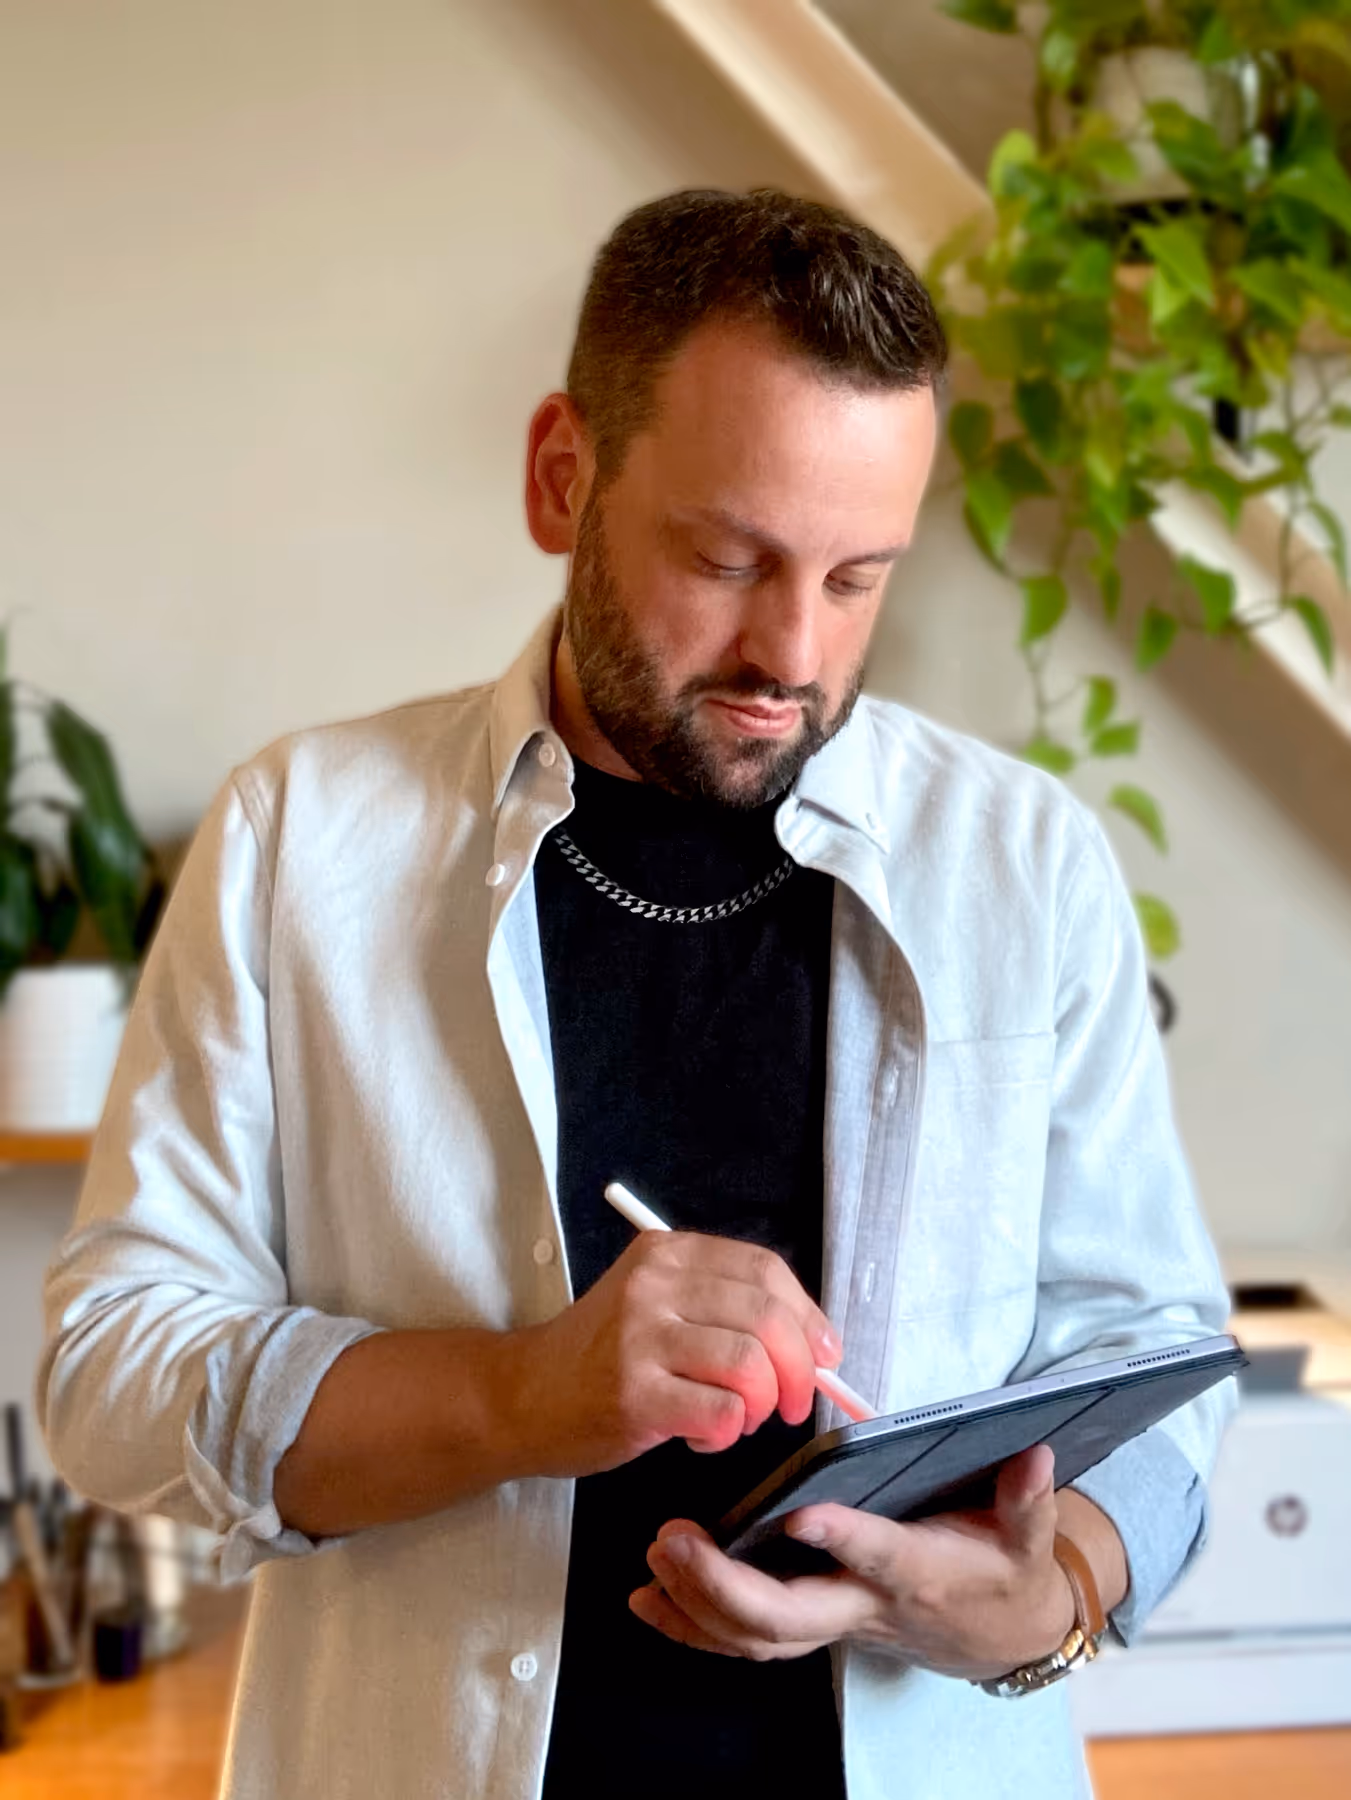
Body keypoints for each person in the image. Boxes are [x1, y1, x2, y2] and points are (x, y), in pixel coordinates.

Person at [39, 188, 1233, 1800]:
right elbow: (112, 1377)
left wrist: (1054, 1591)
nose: (789, 654)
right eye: (727, 557)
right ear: (561, 476)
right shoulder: (294, 840)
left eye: (856, 577)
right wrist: (521, 1394)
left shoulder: (1023, 862)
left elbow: (1150, 1337)